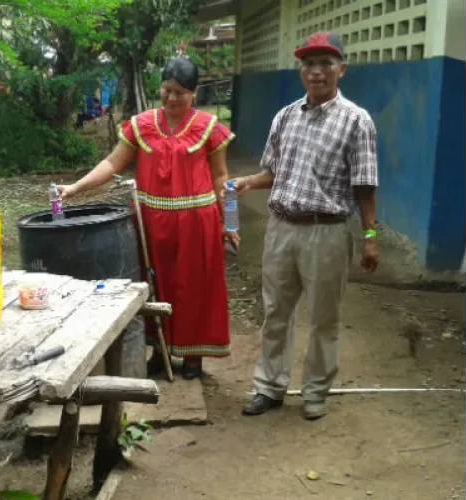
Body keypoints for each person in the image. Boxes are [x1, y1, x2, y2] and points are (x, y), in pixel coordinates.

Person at [57, 58, 239, 380]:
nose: (171, 99)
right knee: (153, 285)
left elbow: (221, 178)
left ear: (194, 94)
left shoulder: (209, 128)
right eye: (166, 90)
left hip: (197, 223)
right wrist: (75, 188)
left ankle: (193, 355)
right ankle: (160, 350)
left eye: (180, 93)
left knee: (194, 287)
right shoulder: (141, 125)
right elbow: (113, 164)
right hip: (149, 223)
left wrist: (231, 224)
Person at [230, 31, 379, 420]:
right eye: (309, 64)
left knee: (323, 317)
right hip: (281, 228)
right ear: (301, 71)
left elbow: (365, 186)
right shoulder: (285, 117)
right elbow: (274, 172)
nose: (316, 72)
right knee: (275, 310)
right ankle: (269, 387)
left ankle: (315, 392)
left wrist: (370, 237)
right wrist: (249, 181)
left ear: (341, 70)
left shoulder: (356, 122)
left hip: (326, 232)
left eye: (325, 64)